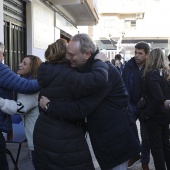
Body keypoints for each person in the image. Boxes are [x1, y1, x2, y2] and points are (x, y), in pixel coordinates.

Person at [38, 34, 140, 170]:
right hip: (106, 134)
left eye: (71, 55)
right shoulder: (89, 67)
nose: (67, 58)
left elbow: (82, 107)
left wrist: (50, 106)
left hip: (115, 138)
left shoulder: (105, 72)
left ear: (87, 54)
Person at [33, 38, 109, 170]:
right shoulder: (68, 74)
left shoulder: (48, 71)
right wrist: (100, 62)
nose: (71, 56)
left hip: (44, 130)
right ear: (65, 55)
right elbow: (99, 78)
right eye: (70, 53)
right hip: (64, 135)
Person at [0, 42, 40, 170]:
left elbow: (19, 107)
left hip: (37, 136)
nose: (19, 65)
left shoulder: (32, 88)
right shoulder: (26, 83)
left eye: (24, 63)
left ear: (32, 68)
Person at [122, 41, 151, 170]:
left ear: (147, 55)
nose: (137, 55)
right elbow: (123, 84)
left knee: (146, 135)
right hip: (131, 104)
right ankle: (135, 154)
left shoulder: (151, 67)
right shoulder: (129, 65)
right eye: (135, 52)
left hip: (145, 106)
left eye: (140, 53)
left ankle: (145, 161)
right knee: (128, 132)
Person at [142, 48, 170, 170]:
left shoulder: (151, 74)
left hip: (155, 116)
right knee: (166, 145)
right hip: (165, 115)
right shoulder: (166, 74)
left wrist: (147, 114)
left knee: (156, 147)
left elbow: (157, 97)